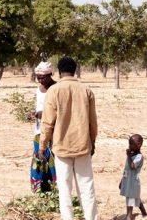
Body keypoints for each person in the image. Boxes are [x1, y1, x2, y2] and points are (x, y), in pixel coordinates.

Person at [38, 57, 98, 220]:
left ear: (58, 71)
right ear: (75, 70)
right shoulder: (86, 90)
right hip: (83, 146)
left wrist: (42, 146)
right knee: (87, 188)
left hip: (61, 147)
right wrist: (92, 143)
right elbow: (93, 122)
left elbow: (47, 122)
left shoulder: (54, 91)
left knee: (65, 189)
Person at [28, 61, 57, 193]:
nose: (40, 80)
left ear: (50, 74)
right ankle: (40, 191)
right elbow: (38, 107)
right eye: (37, 77)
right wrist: (33, 114)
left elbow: (58, 111)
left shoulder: (56, 89)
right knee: (39, 161)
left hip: (53, 132)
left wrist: (43, 115)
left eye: (42, 77)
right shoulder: (38, 90)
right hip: (39, 131)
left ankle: (54, 190)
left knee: (52, 162)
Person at [119, 134, 147, 219]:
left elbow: (132, 166)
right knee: (136, 199)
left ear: (139, 145)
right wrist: (121, 181)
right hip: (128, 181)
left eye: (131, 144)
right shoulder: (131, 156)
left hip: (133, 182)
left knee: (130, 200)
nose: (129, 146)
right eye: (129, 143)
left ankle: (128, 216)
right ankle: (144, 214)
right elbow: (126, 169)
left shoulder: (139, 156)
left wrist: (128, 156)